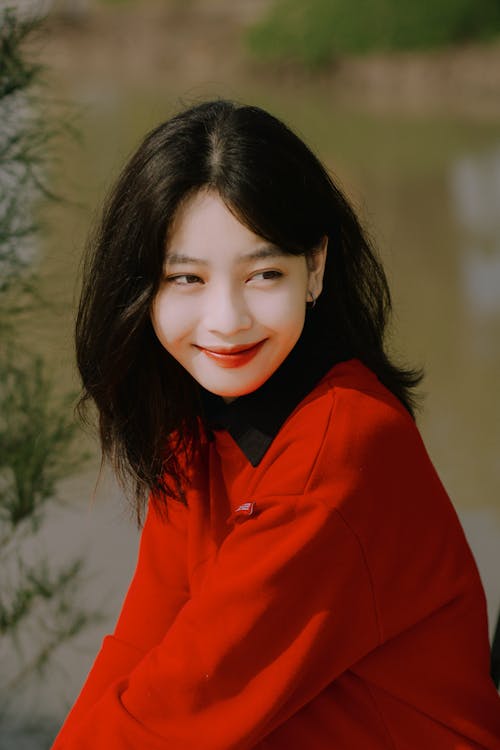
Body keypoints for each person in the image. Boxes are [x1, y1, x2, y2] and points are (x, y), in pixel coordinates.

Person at [52, 99, 500, 749]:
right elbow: (142, 650)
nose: (227, 319)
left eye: (264, 274)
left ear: (314, 268)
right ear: (142, 287)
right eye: (187, 279)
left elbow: (179, 711)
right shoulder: (197, 429)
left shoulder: (339, 454)